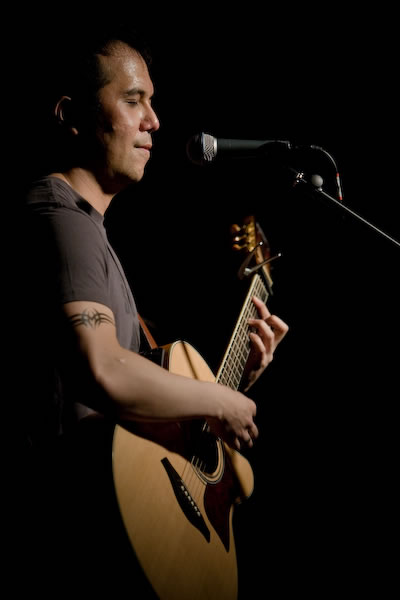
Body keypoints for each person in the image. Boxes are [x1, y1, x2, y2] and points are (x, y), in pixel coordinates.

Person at [11, 24, 288, 597]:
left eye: (153, 103)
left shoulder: (92, 234)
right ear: (71, 114)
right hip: (68, 522)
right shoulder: (61, 215)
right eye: (133, 100)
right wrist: (221, 400)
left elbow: (137, 400)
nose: (154, 122)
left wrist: (236, 381)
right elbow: (104, 369)